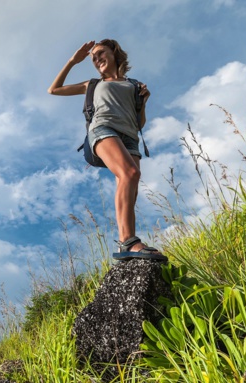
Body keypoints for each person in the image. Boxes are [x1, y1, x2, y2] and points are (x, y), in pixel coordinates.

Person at [48, 39, 166, 261]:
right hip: (103, 129)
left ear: (114, 53)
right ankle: (128, 242)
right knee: (130, 173)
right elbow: (54, 89)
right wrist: (73, 61)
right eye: (93, 57)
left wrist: (145, 102)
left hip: (130, 137)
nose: (96, 58)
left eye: (100, 53)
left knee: (130, 186)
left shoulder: (134, 85)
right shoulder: (92, 84)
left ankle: (128, 245)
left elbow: (139, 123)